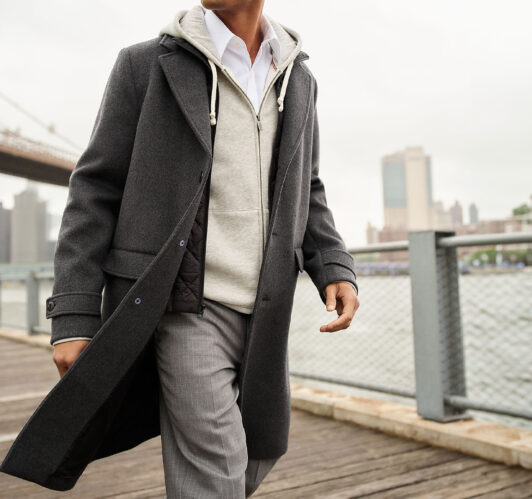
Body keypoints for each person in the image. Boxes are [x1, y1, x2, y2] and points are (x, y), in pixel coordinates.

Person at [49, 1, 360, 497]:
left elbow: (308, 187)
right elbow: (94, 191)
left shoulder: (299, 79)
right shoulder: (144, 66)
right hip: (185, 307)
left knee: (260, 451)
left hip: (266, 310)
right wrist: (73, 315)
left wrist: (334, 267)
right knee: (215, 470)